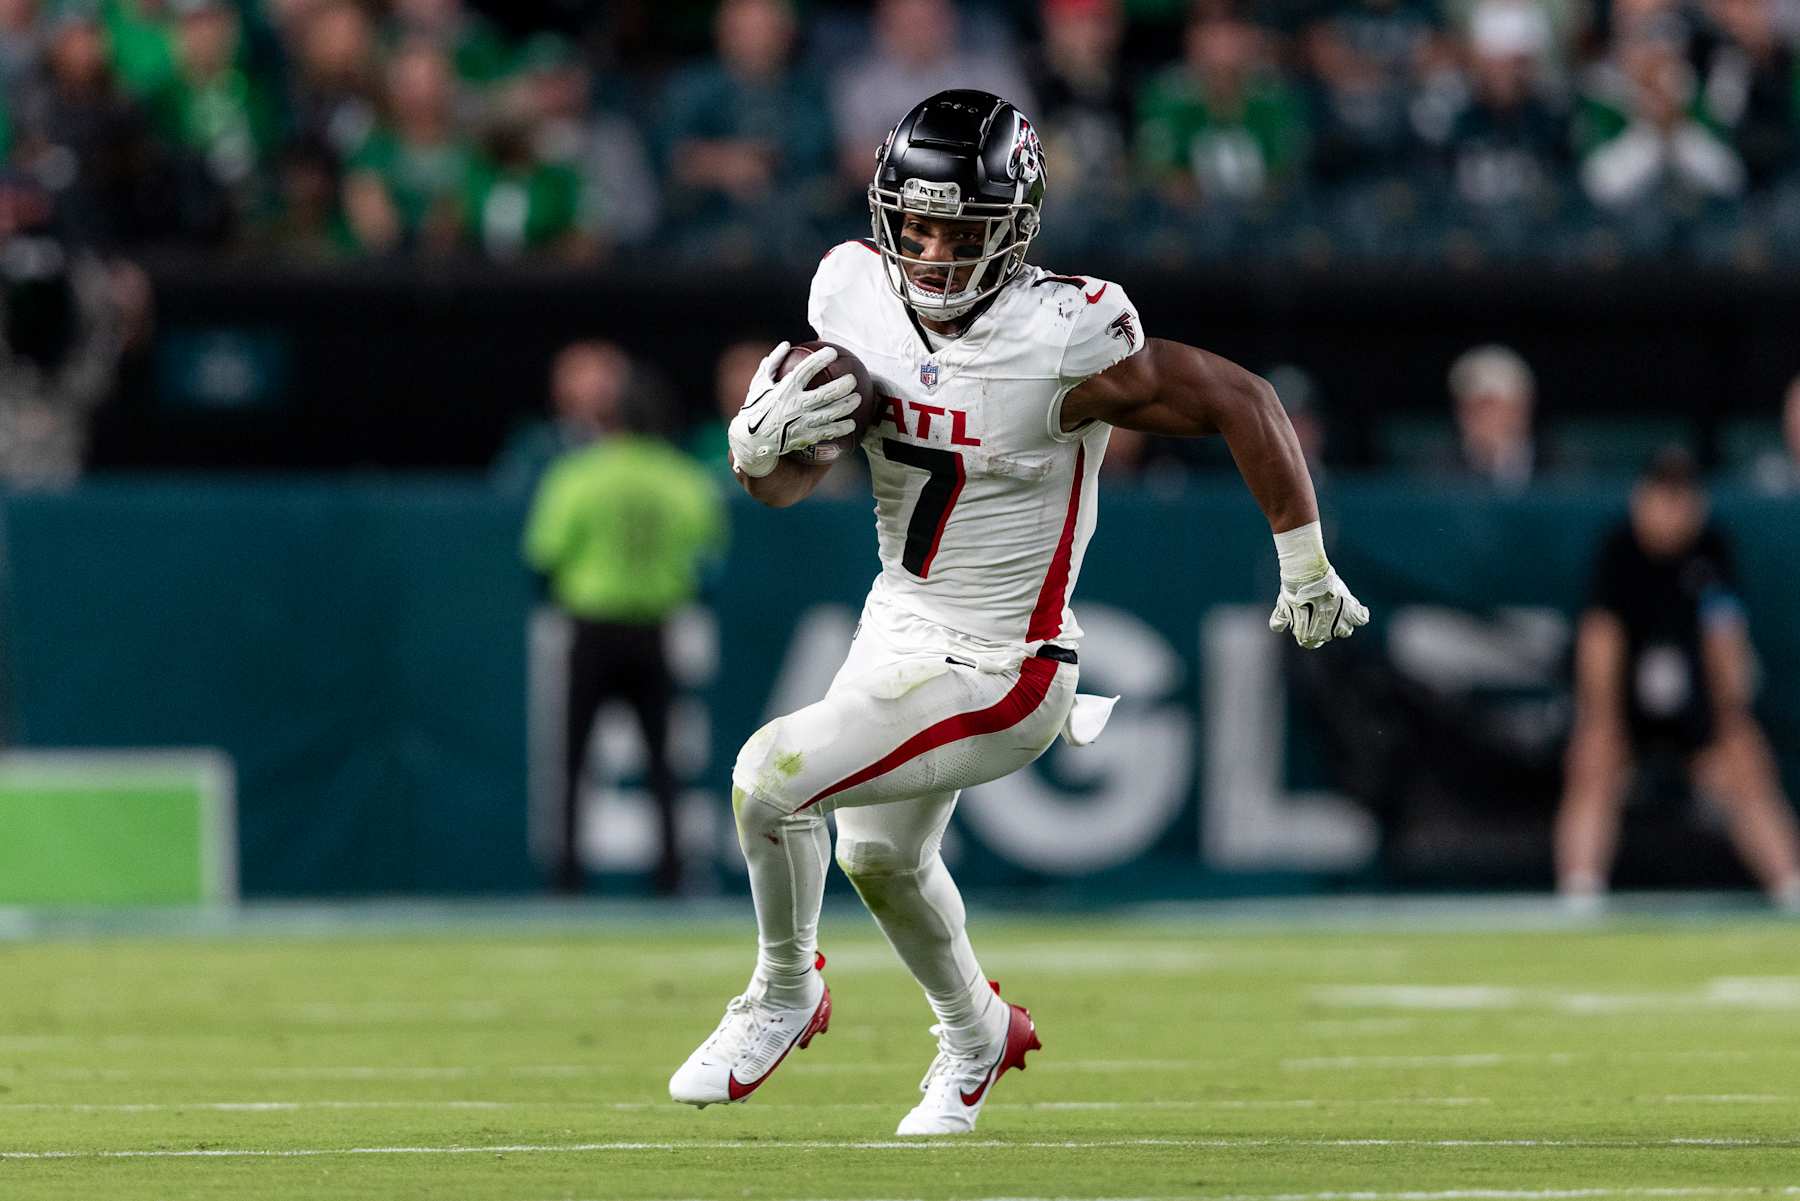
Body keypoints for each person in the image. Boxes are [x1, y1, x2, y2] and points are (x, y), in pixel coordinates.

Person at [668, 89, 1368, 1135]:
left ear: (1019, 224)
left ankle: (783, 989)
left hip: (1009, 663)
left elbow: (1242, 398)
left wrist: (1303, 561)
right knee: (876, 855)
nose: (935, 248)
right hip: (894, 624)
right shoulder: (850, 291)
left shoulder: (1065, 333)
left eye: (964, 226)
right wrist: (761, 453)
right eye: (917, 221)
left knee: (769, 778)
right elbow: (790, 484)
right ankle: (978, 1032)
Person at [1556, 449, 1800, 910]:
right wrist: (1601, 721)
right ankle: (1579, 893)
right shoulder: (1619, 550)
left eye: (1682, 499)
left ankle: (1791, 888)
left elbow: (1725, 639)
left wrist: (1729, 718)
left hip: (1696, 707)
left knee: (1746, 761)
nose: (1671, 512)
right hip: (1625, 706)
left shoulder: (1711, 549)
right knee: (1591, 757)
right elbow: (1600, 643)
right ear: (1640, 499)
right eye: (1662, 498)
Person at [522, 359, 725, 897]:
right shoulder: (683, 478)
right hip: (653, 628)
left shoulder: (577, 474)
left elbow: (543, 556)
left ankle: (565, 878)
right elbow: (708, 554)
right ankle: (671, 876)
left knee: (572, 761)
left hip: (590, 628)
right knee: (663, 762)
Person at [1444, 343, 1542, 489]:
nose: (1487, 418)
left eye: (1498, 406)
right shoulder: (1438, 472)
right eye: (1475, 407)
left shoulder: (1562, 469)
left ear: (1524, 406)